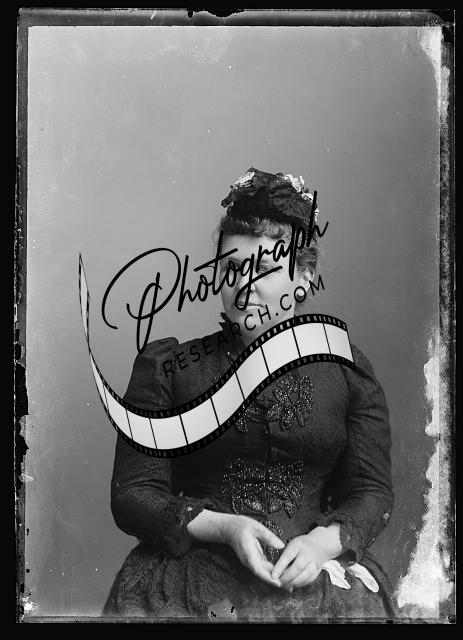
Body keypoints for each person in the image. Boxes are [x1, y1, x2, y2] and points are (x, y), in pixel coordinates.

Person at [103, 168, 396, 621]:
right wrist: (225, 528)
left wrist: (320, 545)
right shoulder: (169, 369)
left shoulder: (347, 371)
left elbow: (371, 491)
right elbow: (133, 493)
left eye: (264, 268)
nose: (245, 285)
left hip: (316, 586)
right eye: (231, 269)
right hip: (189, 585)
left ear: (304, 276)